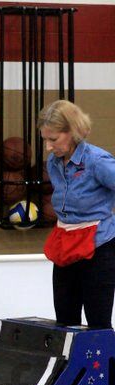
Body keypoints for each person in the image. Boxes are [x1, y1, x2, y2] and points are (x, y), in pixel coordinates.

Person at [37, 99, 115, 329]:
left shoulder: (97, 161)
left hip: (98, 247)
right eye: (45, 140)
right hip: (66, 243)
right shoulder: (54, 162)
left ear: (73, 132)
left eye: (53, 140)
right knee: (65, 320)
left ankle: (106, 366)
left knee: (98, 323)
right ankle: (71, 365)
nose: (49, 147)